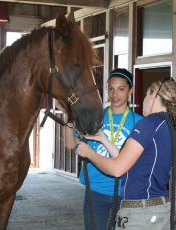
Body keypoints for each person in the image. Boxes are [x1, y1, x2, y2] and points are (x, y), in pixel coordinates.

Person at [75, 78, 176, 230]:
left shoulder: (149, 123)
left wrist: (90, 153)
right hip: (157, 209)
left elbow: (117, 169)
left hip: (141, 214)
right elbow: (129, 161)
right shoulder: (169, 126)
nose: (142, 101)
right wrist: (104, 139)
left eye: (145, 95)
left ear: (154, 95)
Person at [64, 68, 142, 230]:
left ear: (131, 91)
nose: (114, 94)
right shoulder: (96, 118)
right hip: (96, 191)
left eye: (121, 89)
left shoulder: (139, 123)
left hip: (126, 193)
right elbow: (71, 144)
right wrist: (69, 118)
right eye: (110, 89)